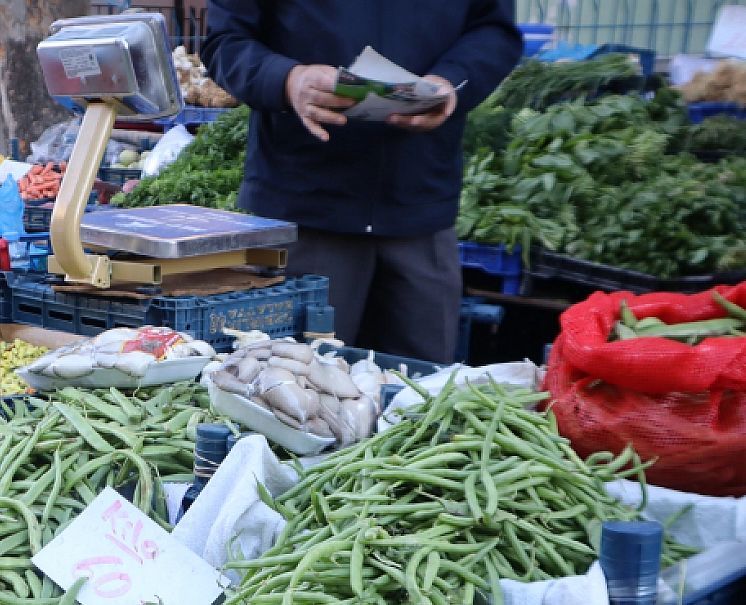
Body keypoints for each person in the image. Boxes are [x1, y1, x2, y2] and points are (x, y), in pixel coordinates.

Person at [202, 2, 522, 363]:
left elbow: (494, 29)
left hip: (419, 210)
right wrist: (289, 80)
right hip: (306, 211)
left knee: (420, 394)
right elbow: (225, 40)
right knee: (297, 393)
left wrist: (452, 81)